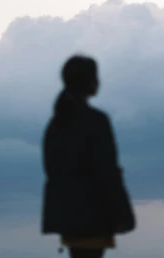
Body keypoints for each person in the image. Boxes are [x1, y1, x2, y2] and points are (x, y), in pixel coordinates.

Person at [41, 55, 136, 258]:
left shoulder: (56, 123)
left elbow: (52, 171)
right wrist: (122, 215)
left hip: (67, 215)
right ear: (90, 82)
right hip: (94, 214)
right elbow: (107, 172)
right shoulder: (96, 121)